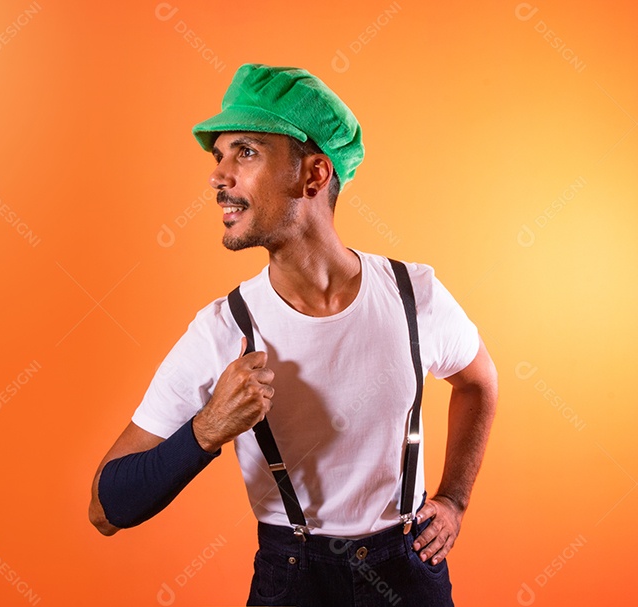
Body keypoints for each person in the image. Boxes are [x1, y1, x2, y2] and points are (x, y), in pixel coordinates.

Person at [87, 64, 498, 606]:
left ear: (313, 175)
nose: (218, 176)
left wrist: (455, 500)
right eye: (219, 156)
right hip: (294, 580)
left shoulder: (412, 293)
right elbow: (105, 508)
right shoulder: (222, 330)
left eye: (246, 152)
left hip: (410, 572)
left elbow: (478, 383)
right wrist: (207, 430)